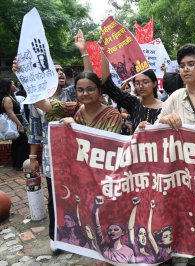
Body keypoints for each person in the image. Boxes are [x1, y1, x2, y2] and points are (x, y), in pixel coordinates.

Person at [12, 29, 93, 252]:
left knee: (80, 196)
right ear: (46, 74)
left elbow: (91, 81)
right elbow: (35, 132)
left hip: (78, 156)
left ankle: (82, 234)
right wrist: (32, 157)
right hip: (51, 159)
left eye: (61, 71)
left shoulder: (74, 95)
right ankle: (55, 237)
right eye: (53, 70)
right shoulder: (38, 102)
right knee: (55, 198)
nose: (59, 73)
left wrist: (84, 51)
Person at [35, 71, 122, 133]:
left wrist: (75, 127)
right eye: (80, 90)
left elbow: (108, 145)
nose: (85, 93)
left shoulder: (112, 115)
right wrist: (28, 79)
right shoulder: (74, 108)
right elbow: (43, 104)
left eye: (90, 89)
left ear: (99, 90)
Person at [101, 52, 162, 133]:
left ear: (154, 83)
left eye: (145, 82)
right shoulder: (134, 103)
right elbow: (109, 87)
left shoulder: (166, 107)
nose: (141, 86)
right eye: (137, 83)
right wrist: (104, 52)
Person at [93, 196, 134, 263]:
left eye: (116, 229)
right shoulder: (104, 247)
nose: (112, 232)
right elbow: (96, 226)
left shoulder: (129, 251)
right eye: (110, 230)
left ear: (123, 232)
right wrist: (96, 207)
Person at [0, 79, 29, 171]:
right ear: (8, 86)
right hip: (15, 121)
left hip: (16, 120)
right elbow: (10, 113)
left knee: (17, 143)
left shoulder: (10, 96)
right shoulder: (7, 98)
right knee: (23, 142)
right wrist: (19, 124)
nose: (14, 85)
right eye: (12, 84)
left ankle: (17, 164)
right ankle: (20, 163)